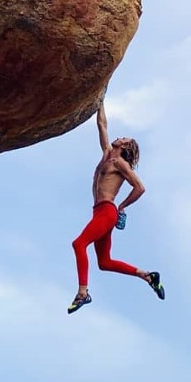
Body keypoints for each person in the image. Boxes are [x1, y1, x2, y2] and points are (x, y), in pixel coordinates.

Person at [68, 97, 165, 314]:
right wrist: (100, 98)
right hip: (99, 212)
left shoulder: (120, 163)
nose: (119, 137)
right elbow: (102, 124)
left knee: (79, 244)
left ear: (125, 146)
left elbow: (140, 187)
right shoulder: (106, 155)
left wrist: (121, 206)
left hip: (107, 211)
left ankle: (83, 293)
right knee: (104, 262)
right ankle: (147, 276)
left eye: (123, 138)